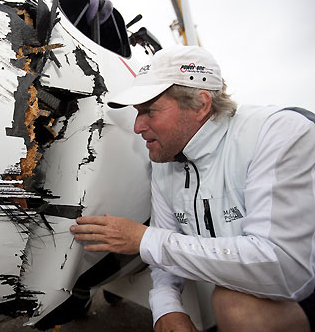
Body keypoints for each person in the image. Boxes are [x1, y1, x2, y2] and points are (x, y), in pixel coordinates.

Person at [70, 45, 315, 332]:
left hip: (301, 290)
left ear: (200, 104)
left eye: (149, 111)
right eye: (137, 113)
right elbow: (161, 247)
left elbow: (284, 269)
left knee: (235, 305)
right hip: (251, 284)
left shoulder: (279, 134)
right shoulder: (165, 159)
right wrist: (166, 307)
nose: (137, 126)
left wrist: (144, 240)